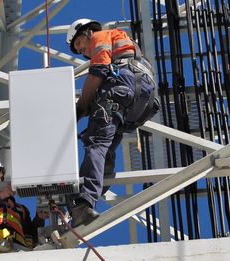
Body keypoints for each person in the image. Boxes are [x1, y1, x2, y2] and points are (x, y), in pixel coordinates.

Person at [65, 19, 159, 227]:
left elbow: (98, 70)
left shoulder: (101, 36)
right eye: (78, 50)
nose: (82, 50)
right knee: (105, 148)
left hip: (123, 87)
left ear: (89, 32)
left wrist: (80, 108)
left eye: (80, 43)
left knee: (96, 143)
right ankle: (88, 195)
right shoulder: (125, 44)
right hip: (142, 100)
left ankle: (85, 202)